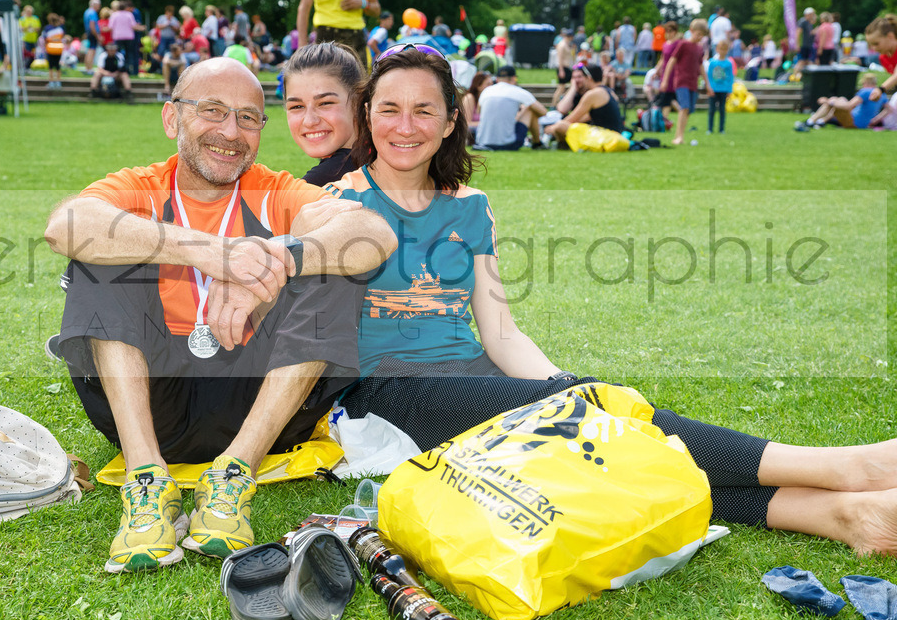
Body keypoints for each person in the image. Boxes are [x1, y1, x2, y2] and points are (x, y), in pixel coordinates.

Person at [326, 45, 897, 560]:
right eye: (389, 108)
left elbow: (500, 331)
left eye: (424, 110)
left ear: (451, 121)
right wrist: (570, 400)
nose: (406, 126)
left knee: (603, 452)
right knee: (587, 425)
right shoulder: (338, 202)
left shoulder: (470, 206)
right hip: (388, 388)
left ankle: (840, 514)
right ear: (367, 115)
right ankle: (842, 467)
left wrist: (564, 385)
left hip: (472, 373)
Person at [44, 57, 396, 573]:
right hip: (155, 406)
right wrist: (212, 252)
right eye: (212, 110)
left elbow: (373, 234)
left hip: (263, 410)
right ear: (172, 118)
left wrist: (278, 258)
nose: (231, 132)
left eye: (247, 117)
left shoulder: (273, 190)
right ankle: (147, 482)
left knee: (334, 265)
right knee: (99, 253)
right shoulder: (143, 185)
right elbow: (65, 225)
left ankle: (234, 475)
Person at [280, 42, 365, 187]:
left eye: (325, 103)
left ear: (358, 102)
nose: (309, 121)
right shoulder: (382, 159)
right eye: (297, 106)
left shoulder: (321, 185)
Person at [546, 63, 624, 145]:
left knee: (560, 126)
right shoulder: (608, 91)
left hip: (603, 137)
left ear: (589, 78)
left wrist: (552, 128)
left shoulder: (592, 94)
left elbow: (572, 118)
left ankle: (563, 146)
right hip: (615, 135)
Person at [473, 65, 546, 151]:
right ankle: (537, 143)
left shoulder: (486, 91)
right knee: (530, 109)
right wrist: (524, 109)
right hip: (507, 144)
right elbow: (543, 112)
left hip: (481, 142)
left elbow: (479, 111)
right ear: (514, 78)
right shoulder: (518, 92)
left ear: (497, 79)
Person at [661, 18, 707, 145]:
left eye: (702, 35)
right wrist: (665, 80)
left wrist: (708, 84)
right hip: (681, 81)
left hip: (693, 83)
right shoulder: (683, 44)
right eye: (698, 34)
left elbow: (701, 66)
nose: (700, 37)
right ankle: (679, 137)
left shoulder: (699, 48)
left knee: (689, 110)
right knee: (684, 107)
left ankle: (681, 135)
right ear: (691, 31)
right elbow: (671, 62)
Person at [801, 73, 888, 129]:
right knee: (841, 100)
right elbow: (888, 109)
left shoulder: (865, 91)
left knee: (835, 101)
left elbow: (848, 106)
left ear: (866, 83)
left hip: (854, 122)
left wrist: (828, 101)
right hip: (863, 123)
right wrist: (875, 119)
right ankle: (820, 121)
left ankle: (811, 121)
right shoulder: (882, 94)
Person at [864, 15, 897, 102]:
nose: (874, 48)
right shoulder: (883, 58)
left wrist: (880, 89)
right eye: (871, 45)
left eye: (876, 43)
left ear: (890, 36)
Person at [706, 40, 733, 134]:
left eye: (724, 49)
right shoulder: (712, 63)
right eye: (721, 49)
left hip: (723, 89)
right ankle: (710, 129)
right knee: (711, 110)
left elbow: (730, 78)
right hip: (713, 89)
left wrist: (729, 90)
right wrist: (709, 88)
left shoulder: (728, 63)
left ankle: (721, 129)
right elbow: (709, 76)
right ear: (717, 49)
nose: (722, 51)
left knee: (722, 110)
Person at [109, 1, 140, 75]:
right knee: (129, 54)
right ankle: (130, 70)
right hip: (129, 37)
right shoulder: (129, 14)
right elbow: (133, 25)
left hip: (118, 36)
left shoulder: (114, 15)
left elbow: (110, 27)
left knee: (117, 54)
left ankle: (118, 69)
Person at [462, 71, 492, 144]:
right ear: (478, 86)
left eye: (492, 84)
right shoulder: (469, 98)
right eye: (488, 84)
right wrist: (487, 124)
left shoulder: (487, 100)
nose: (491, 87)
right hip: (470, 135)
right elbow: (466, 124)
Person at [41, 13, 65, 90]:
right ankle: (58, 82)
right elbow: (63, 38)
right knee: (57, 65)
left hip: (50, 48)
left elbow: (45, 38)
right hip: (59, 49)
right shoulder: (60, 28)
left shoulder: (47, 28)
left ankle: (51, 82)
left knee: (51, 66)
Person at [553, 28, 575, 104]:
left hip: (566, 67)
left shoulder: (567, 44)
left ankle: (562, 98)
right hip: (563, 68)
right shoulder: (562, 45)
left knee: (564, 86)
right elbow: (559, 58)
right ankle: (554, 103)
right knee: (561, 87)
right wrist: (561, 70)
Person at [795, 7, 817, 74]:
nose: (813, 16)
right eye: (812, 14)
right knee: (801, 61)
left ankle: (800, 76)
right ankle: (795, 75)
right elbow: (798, 33)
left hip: (808, 45)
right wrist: (797, 44)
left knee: (806, 61)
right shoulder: (803, 21)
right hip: (803, 45)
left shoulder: (809, 22)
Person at [83, 0, 102, 72]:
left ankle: (87, 67)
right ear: (94, 5)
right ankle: (89, 68)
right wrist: (97, 36)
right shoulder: (93, 13)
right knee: (92, 50)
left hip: (89, 33)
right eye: (98, 5)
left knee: (89, 50)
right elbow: (92, 25)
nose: (99, 7)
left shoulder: (87, 11)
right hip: (92, 33)